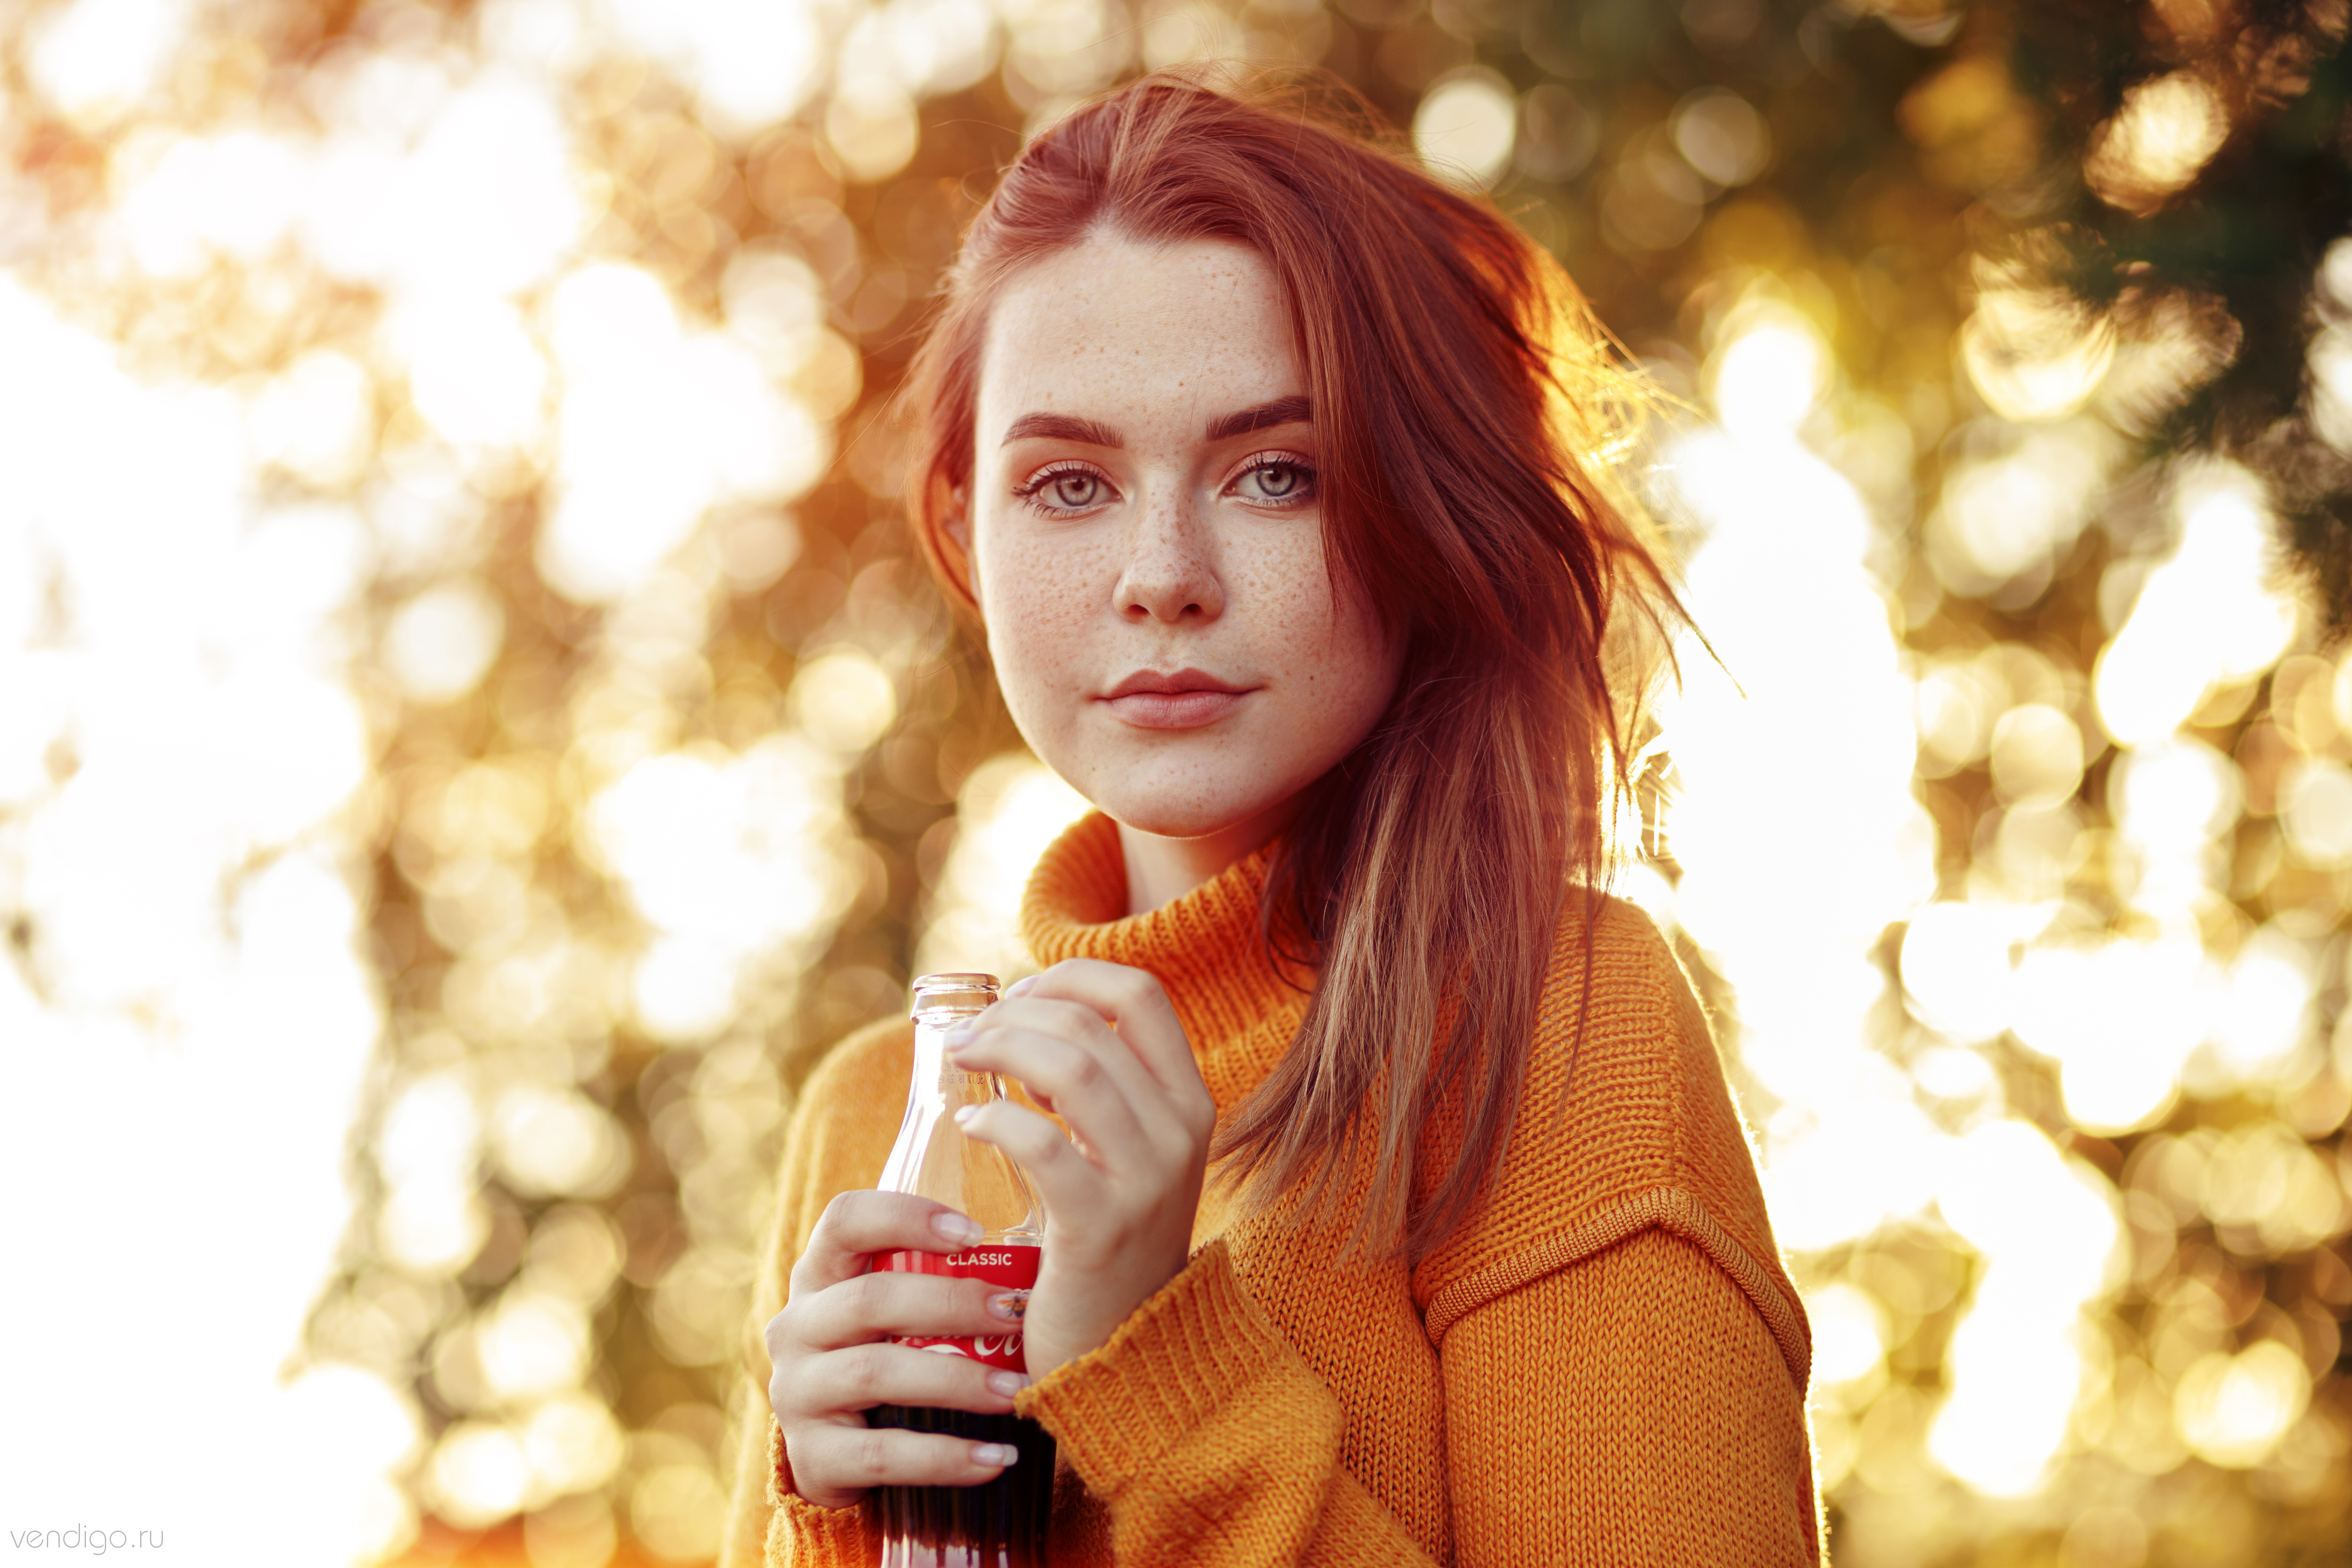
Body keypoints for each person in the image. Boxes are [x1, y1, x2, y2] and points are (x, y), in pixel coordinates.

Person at [721, 72, 1822, 1566]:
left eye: (1275, 472)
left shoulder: (1561, 1038)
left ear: (1415, 519)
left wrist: (1165, 1372)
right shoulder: (879, 1115)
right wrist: (839, 1519)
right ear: (962, 528)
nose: (1162, 571)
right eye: (1065, 483)